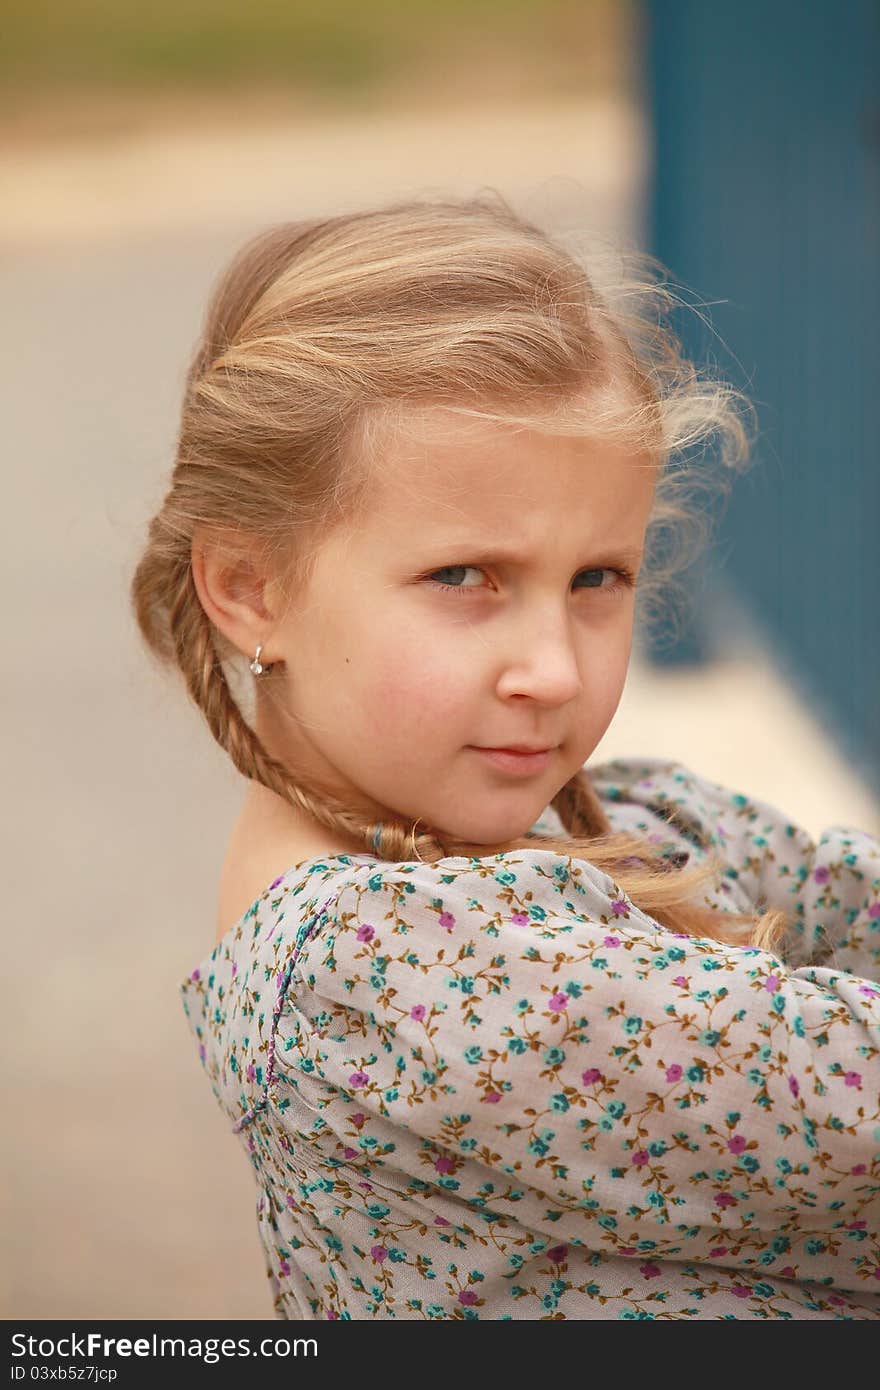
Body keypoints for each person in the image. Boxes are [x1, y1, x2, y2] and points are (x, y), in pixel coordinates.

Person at [131, 192, 880, 1320]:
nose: (556, 671)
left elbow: (834, 891)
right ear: (250, 588)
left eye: (596, 581)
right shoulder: (386, 973)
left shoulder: (615, 821)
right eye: (464, 577)